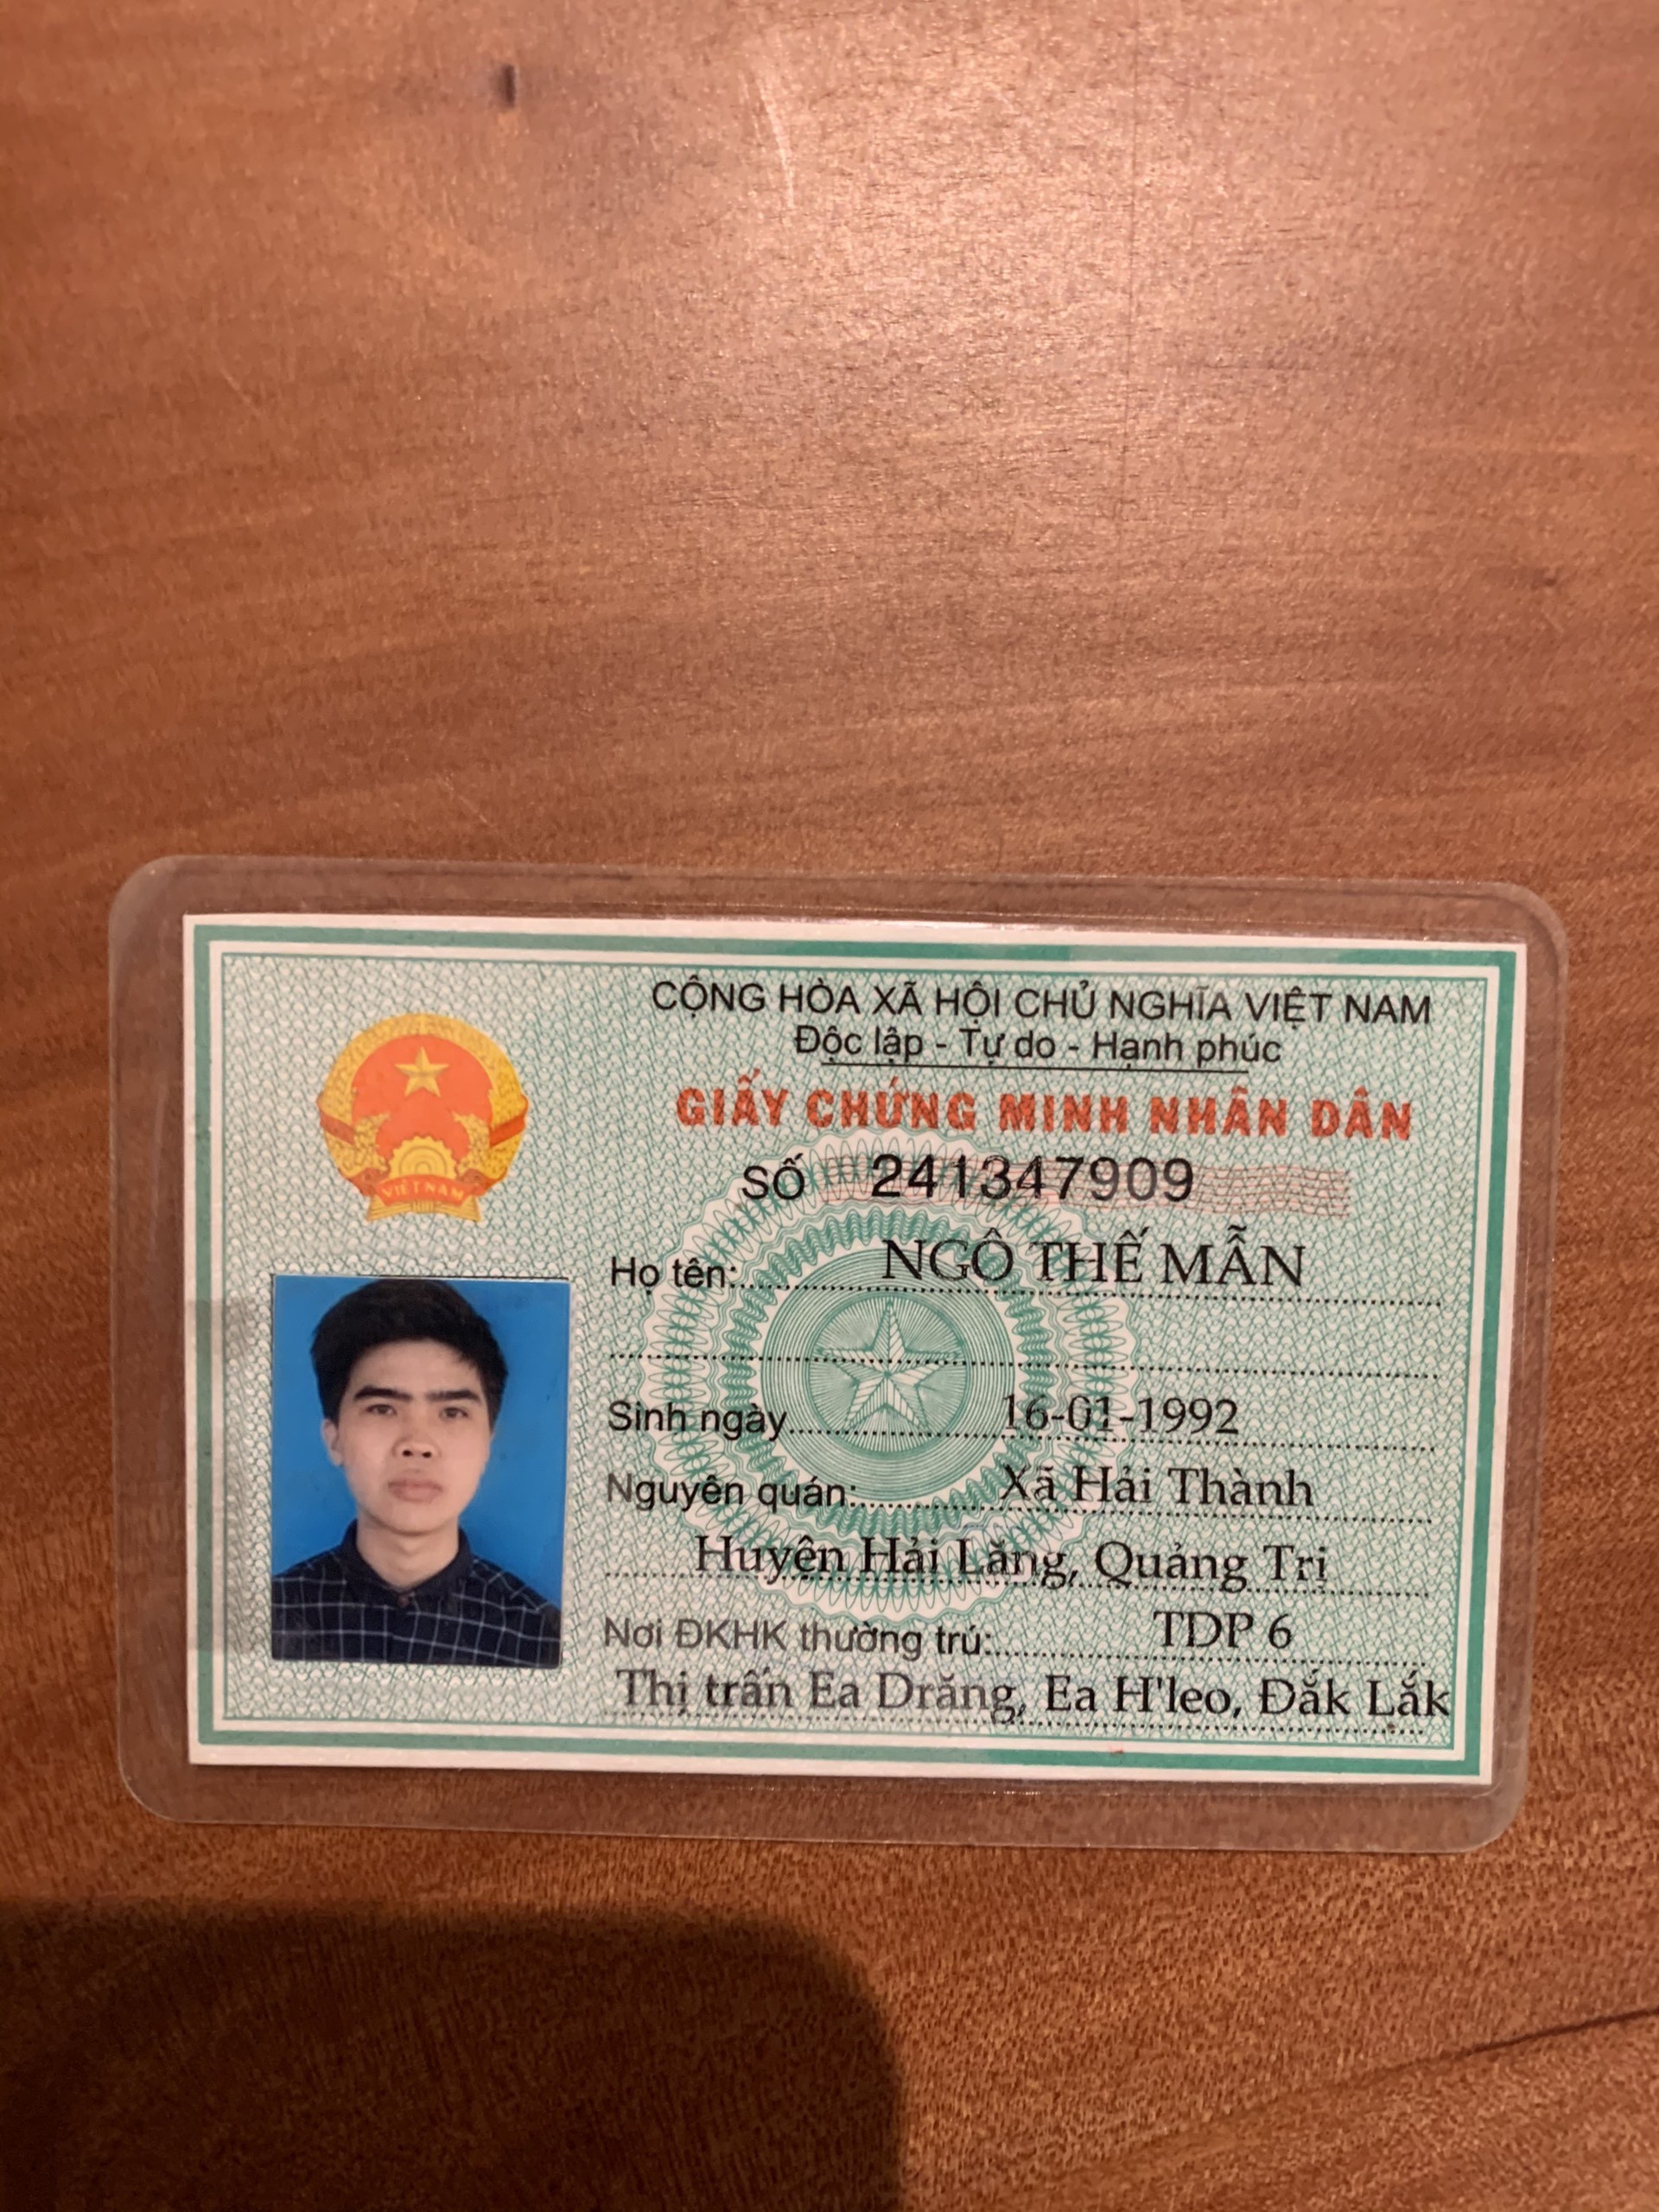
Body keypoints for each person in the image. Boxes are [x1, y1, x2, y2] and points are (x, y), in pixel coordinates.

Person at [270, 1278, 561, 1667]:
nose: (417, 1444)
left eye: (452, 1413)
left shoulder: (541, 1639)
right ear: (334, 1437)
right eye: (383, 1409)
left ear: (488, 1442)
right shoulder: (266, 1620)